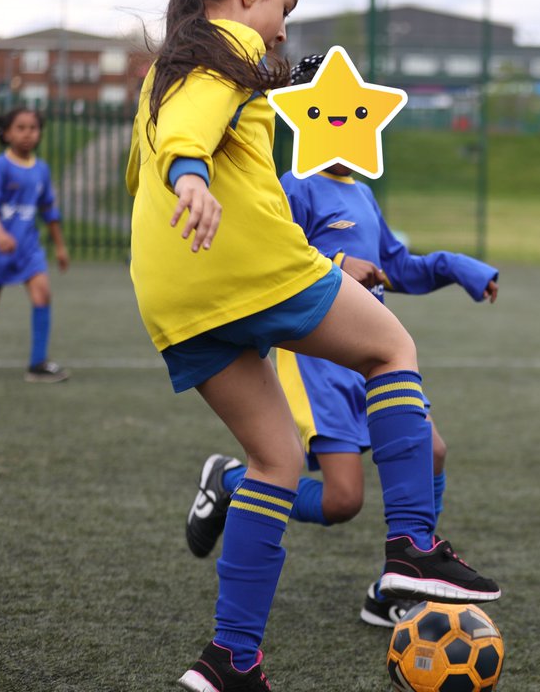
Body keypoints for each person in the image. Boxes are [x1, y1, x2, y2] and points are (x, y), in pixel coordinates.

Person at [125, 0, 498, 692]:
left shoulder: (171, 65)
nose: (283, 29)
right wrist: (194, 175)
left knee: (274, 461)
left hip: (173, 291)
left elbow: (161, 144)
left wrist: (191, 168)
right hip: (246, 261)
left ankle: (231, 660)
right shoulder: (224, 45)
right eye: (284, 8)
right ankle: (410, 549)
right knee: (391, 348)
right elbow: (189, 135)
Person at [185, 54, 500, 630]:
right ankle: (229, 481)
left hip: (370, 361)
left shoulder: (360, 192)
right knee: (341, 502)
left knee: (432, 450)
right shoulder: (291, 187)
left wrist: (460, 268)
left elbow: (396, 269)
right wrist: (334, 262)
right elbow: (269, 261)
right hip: (318, 364)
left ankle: (395, 584)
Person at [0, 108, 70, 382]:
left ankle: (37, 364)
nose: (28, 133)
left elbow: (49, 211)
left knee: (42, 294)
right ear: (6, 133)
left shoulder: (41, 169)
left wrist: (61, 247)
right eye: (20, 127)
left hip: (28, 248)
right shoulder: (0, 167)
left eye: (33, 127)